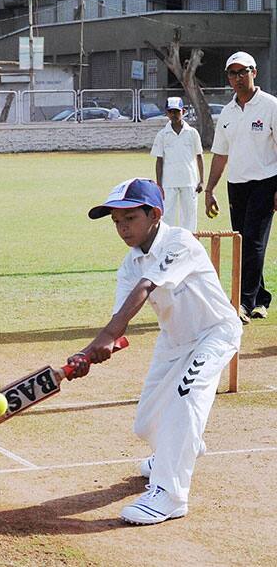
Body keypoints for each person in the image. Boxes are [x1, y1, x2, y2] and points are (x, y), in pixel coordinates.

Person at [70, 178, 241, 525]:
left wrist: (105, 336)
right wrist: (91, 354)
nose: (122, 229)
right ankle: (179, 448)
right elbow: (120, 322)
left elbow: (148, 286)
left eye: (129, 218)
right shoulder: (129, 264)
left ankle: (171, 494)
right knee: (147, 423)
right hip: (173, 342)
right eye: (116, 222)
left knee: (185, 398)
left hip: (214, 333)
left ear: (155, 215)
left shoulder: (180, 242)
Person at [204, 51, 277, 323]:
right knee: (243, 241)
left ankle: (243, 303)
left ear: (254, 72)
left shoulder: (270, 105)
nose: (238, 78)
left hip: (266, 181)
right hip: (237, 185)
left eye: (242, 71)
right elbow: (220, 154)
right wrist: (210, 189)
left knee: (253, 243)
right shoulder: (227, 112)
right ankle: (261, 298)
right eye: (233, 73)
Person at [151, 97, 202, 232]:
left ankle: (189, 245)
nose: (174, 115)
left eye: (177, 111)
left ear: (183, 111)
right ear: (167, 113)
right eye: (171, 111)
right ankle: (167, 244)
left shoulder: (192, 133)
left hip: (189, 180)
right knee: (167, 216)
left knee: (189, 216)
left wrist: (201, 180)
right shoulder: (162, 134)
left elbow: (199, 156)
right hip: (169, 182)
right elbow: (159, 160)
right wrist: (159, 184)